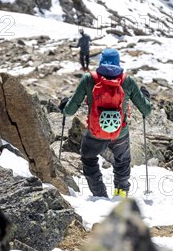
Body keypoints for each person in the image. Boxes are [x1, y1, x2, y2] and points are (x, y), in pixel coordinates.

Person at [59, 48, 151, 199]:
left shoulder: (89, 79)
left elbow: (69, 111)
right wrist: (146, 98)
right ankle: (120, 194)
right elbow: (146, 110)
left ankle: (99, 195)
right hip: (120, 134)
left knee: (88, 159)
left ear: (101, 60)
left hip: (95, 133)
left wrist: (64, 105)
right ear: (118, 61)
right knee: (122, 162)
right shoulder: (127, 81)